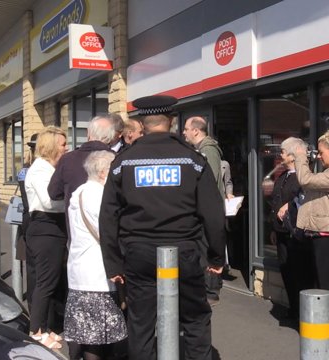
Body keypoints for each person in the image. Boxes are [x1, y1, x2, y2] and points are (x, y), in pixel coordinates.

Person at [100, 95, 226, 360]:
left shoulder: (123, 162)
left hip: (139, 254)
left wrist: (113, 264)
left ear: (143, 124)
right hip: (185, 253)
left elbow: (108, 216)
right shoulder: (192, 160)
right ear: (171, 121)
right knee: (195, 318)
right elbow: (213, 213)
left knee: (141, 323)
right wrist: (215, 256)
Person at [290, 129, 329, 360]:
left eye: (322, 151)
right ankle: (324, 346)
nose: (319, 156)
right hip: (319, 238)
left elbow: (306, 179)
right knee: (322, 295)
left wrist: (300, 156)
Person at [64, 150, 127, 360]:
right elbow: (109, 232)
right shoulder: (99, 195)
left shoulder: (80, 191)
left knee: (87, 334)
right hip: (97, 275)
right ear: (102, 172)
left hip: (80, 272)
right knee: (97, 338)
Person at [24, 126, 68, 349]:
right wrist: (71, 200)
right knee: (45, 282)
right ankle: (37, 331)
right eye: (62, 144)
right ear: (51, 146)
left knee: (51, 281)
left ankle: (45, 327)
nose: (66, 147)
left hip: (51, 228)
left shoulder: (48, 168)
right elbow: (49, 201)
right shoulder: (41, 170)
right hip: (45, 227)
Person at [182, 116, 225, 304]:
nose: (183, 132)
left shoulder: (208, 151)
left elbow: (211, 180)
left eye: (186, 128)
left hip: (208, 208)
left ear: (196, 131)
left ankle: (210, 290)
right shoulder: (198, 150)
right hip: (202, 208)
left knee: (208, 247)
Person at [269, 137, 310, 320]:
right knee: (286, 271)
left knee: (300, 273)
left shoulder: (303, 178)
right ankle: (294, 308)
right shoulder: (283, 176)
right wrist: (273, 229)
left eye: (283, 152)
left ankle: (303, 312)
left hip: (296, 234)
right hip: (281, 232)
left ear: (293, 156)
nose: (281, 155)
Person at [47, 115, 116, 212]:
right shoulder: (117, 159)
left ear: (88, 133)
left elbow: (54, 193)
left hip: (76, 221)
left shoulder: (68, 159)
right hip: (109, 221)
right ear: (111, 137)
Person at [17, 134, 37, 306]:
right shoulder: (29, 171)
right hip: (32, 221)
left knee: (32, 268)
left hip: (28, 222)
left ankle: (33, 307)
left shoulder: (25, 169)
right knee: (35, 269)